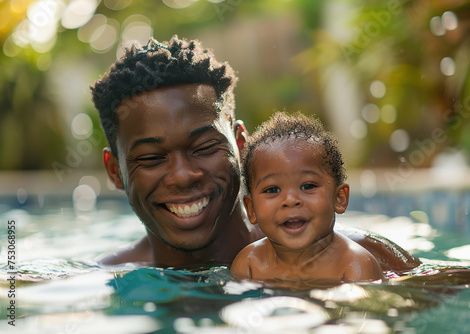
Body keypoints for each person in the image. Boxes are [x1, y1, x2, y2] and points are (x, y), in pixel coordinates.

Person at [90, 35, 420, 271]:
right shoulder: (103, 278)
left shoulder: (362, 261)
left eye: (204, 147)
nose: (183, 174)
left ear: (241, 144)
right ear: (115, 171)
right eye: (151, 157)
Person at [230, 112, 384, 282]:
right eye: (272, 189)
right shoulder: (249, 264)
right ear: (251, 209)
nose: (290, 200)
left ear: (339, 198)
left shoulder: (354, 265)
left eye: (308, 186)